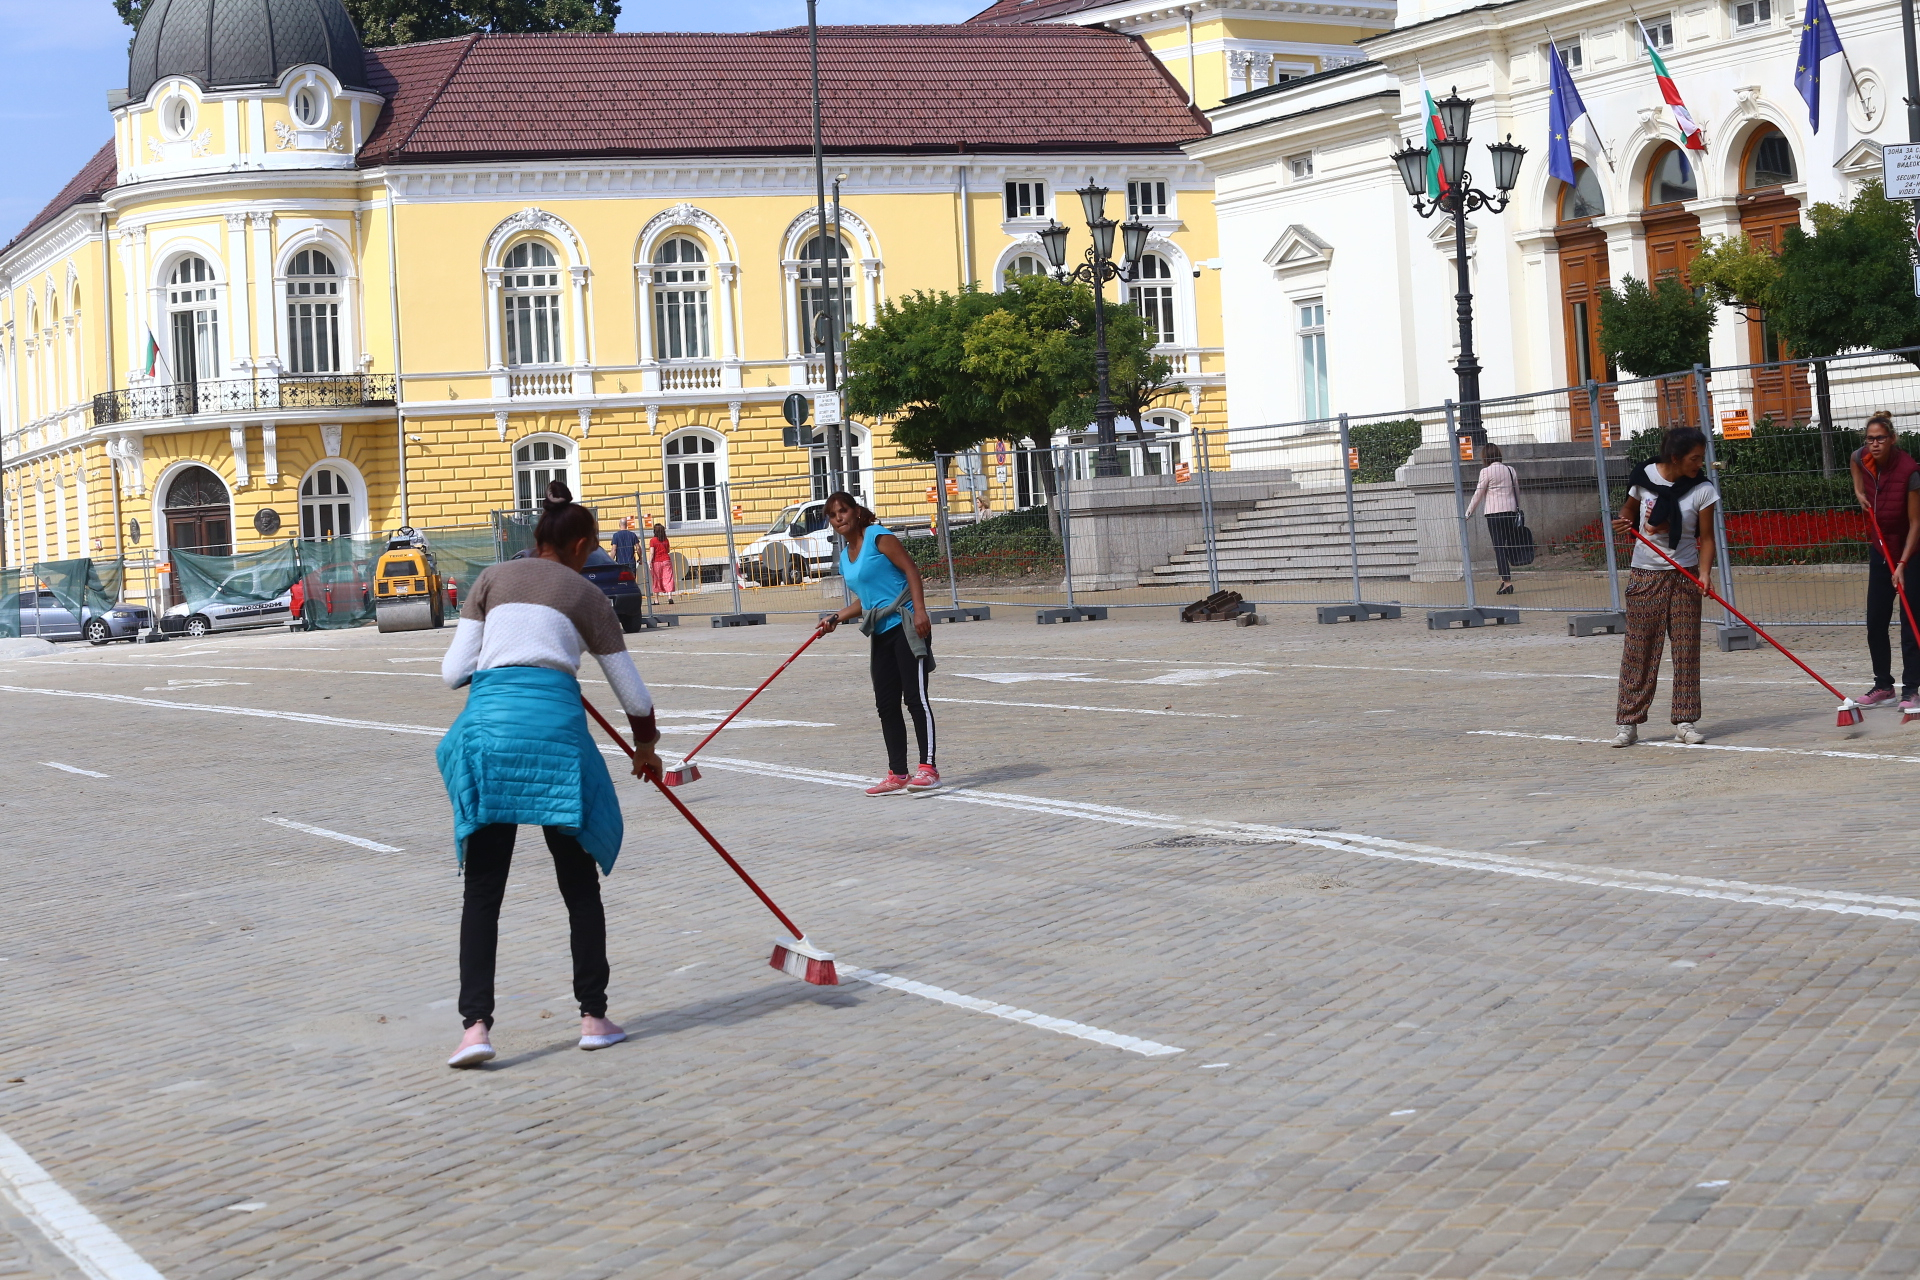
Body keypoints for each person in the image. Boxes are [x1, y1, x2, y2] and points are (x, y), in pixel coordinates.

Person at [437, 481, 663, 1068]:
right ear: (584, 543)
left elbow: (453, 671)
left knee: (483, 892)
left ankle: (475, 1030)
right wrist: (646, 750)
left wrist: (512, 659)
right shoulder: (587, 595)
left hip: (489, 735)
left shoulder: (490, 579)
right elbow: (634, 696)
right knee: (578, 887)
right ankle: (593, 1017)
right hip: (556, 739)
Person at [818, 491, 939, 794]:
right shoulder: (846, 556)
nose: (839, 519)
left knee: (915, 699)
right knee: (886, 704)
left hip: (908, 623)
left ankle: (928, 768)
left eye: (843, 511)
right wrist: (837, 617)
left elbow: (911, 570)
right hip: (881, 631)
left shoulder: (877, 536)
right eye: (832, 515)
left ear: (856, 512)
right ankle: (898, 773)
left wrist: (921, 611)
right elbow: (867, 600)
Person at [1610, 426, 1719, 748]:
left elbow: (1708, 538)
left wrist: (1704, 573)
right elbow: (1627, 514)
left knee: (1686, 651)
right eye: (1694, 459)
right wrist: (1622, 523)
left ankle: (1685, 721)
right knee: (1639, 651)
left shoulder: (1703, 490)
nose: (1699, 464)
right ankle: (1628, 722)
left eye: (1701, 458)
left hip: (1684, 576)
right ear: (1675, 457)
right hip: (1646, 575)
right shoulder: (1643, 477)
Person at [1849, 410, 1920, 711]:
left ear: (1892, 439)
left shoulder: (1910, 471)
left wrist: (1903, 564)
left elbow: (1917, 523)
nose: (1874, 445)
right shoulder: (1863, 457)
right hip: (1880, 549)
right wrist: (1858, 491)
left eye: (1880, 439)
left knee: (1910, 622)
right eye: (1870, 439)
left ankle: (1912, 689)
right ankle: (1883, 685)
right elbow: (1854, 460)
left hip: (1911, 552)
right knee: (1875, 620)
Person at [1463, 441, 1522, 595]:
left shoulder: (1486, 472)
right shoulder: (1510, 470)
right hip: (1510, 512)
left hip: (1494, 514)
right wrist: (1517, 508)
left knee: (1499, 547)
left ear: (1485, 457)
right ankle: (1504, 581)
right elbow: (1517, 491)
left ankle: (1507, 581)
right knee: (1509, 544)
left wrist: (1468, 512)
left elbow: (1478, 494)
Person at [649, 523, 676, 603]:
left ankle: (656, 600)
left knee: (656, 579)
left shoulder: (653, 540)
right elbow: (668, 550)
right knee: (668, 578)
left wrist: (650, 562)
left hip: (656, 561)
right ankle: (670, 597)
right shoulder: (666, 540)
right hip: (666, 560)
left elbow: (652, 553)